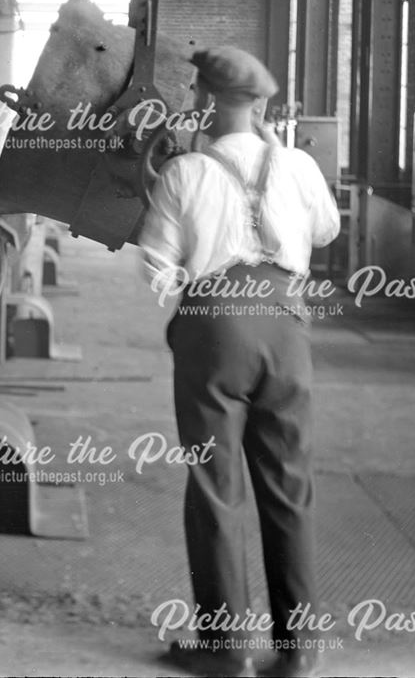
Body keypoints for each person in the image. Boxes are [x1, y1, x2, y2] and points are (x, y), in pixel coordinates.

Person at [139, 47, 340, 678]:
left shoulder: (185, 171)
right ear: (263, 106)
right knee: (288, 481)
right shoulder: (300, 164)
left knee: (215, 484)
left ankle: (228, 649)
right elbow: (328, 231)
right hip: (286, 326)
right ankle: (298, 649)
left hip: (215, 324)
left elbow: (158, 267)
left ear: (202, 100)